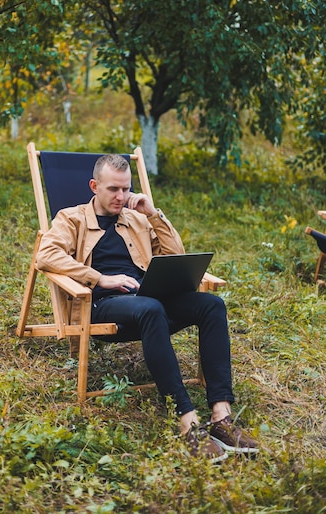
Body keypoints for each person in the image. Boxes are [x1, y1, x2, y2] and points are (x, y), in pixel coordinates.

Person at [36, 154, 259, 461]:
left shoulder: (137, 219)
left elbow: (174, 254)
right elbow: (45, 256)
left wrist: (153, 215)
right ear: (94, 186)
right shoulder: (71, 218)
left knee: (211, 305)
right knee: (151, 308)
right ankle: (188, 422)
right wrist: (102, 278)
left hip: (146, 299)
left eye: (126, 189)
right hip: (101, 305)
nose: (121, 196)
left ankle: (221, 416)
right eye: (113, 189)